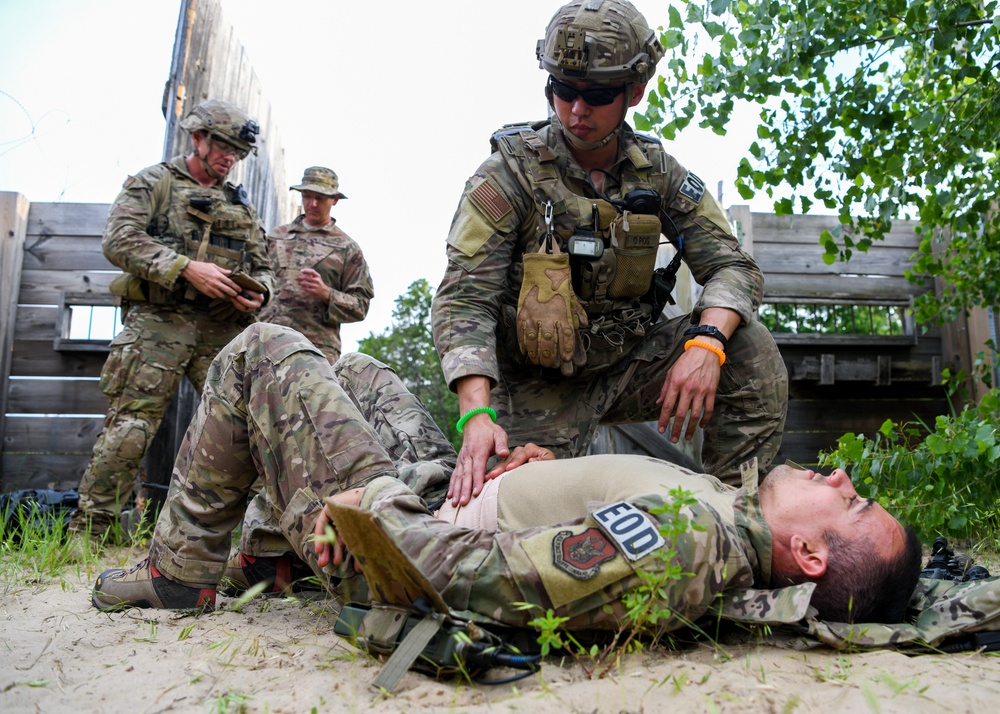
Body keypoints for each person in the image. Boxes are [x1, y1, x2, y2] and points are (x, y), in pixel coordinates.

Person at [92, 324, 921, 629]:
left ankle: (182, 573)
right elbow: (571, 525)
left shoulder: (692, 540)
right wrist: (554, 471)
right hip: (453, 483)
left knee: (263, 349)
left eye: (853, 502)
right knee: (372, 372)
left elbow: (493, 582)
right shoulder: (721, 514)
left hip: (397, 530)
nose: (844, 476)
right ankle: (265, 549)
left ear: (809, 555)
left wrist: (373, 503)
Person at [431, 0, 788, 506]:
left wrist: (707, 342)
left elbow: (732, 265)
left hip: (632, 363)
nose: (577, 110)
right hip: (537, 385)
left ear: (634, 91)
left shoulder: (658, 173)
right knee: (517, 517)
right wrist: (476, 415)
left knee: (748, 349)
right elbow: (465, 299)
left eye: (597, 95)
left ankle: (731, 516)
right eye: (563, 90)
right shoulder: (508, 174)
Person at [69, 99, 274, 538]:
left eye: (237, 153)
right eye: (223, 147)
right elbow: (119, 239)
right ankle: (90, 533)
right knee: (132, 427)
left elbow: (265, 266)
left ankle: (252, 540)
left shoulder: (240, 204)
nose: (229, 159)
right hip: (159, 321)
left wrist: (257, 295)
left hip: (221, 327)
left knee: (249, 430)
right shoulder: (154, 182)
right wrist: (185, 268)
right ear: (198, 138)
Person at [258, 167, 374, 364]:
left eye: (320, 198)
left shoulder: (346, 248)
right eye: (307, 196)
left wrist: (327, 294)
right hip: (265, 342)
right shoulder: (276, 236)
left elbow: (361, 305)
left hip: (314, 349)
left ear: (335, 199)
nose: (312, 204)